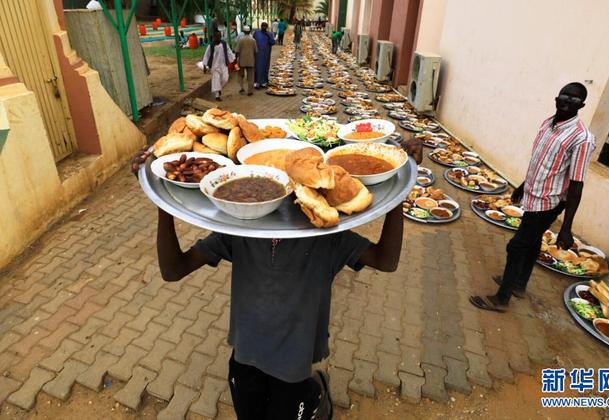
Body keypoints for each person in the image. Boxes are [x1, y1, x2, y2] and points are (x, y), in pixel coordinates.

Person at [130, 138, 424, 420]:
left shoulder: (326, 237)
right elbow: (173, 270)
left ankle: (315, 400)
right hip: (245, 359)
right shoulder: (241, 233)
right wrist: (163, 202)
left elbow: (386, 261)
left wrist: (398, 192)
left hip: (293, 367)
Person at [469, 82, 595, 313]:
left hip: (549, 202)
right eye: (564, 96)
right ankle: (518, 284)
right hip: (533, 193)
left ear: (582, 105)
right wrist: (523, 186)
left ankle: (501, 299)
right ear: (556, 98)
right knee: (533, 241)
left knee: (516, 246)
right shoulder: (549, 123)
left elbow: (577, 184)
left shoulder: (582, 139)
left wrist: (567, 228)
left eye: (575, 99)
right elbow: (541, 162)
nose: (567, 101)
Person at [202, 30, 236, 101]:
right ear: (214, 37)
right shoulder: (211, 46)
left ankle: (219, 89)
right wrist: (204, 66)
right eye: (217, 36)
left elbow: (229, 52)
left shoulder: (224, 44)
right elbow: (206, 55)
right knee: (216, 80)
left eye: (219, 36)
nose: (218, 37)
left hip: (223, 65)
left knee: (225, 79)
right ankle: (217, 95)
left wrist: (233, 59)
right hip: (215, 66)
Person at [235, 26, 257, 96]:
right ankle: (250, 91)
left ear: (243, 32)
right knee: (251, 76)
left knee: (240, 75)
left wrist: (236, 59)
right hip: (251, 60)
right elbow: (255, 51)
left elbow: (237, 51)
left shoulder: (241, 40)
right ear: (249, 31)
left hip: (241, 61)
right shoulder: (253, 40)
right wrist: (254, 60)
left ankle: (241, 88)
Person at [253, 22, 276, 89]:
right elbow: (253, 41)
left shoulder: (269, 34)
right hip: (258, 54)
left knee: (265, 68)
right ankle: (257, 83)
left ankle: (263, 83)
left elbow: (273, 42)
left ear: (267, 27)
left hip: (266, 54)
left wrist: (268, 36)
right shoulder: (256, 33)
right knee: (257, 68)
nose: (264, 27)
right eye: (263, 26)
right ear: (261, 26)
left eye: (265, 26)